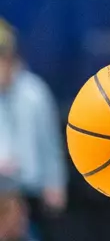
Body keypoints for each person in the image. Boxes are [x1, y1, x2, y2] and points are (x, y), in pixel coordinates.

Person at [0, 20, 66, 241]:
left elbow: (50, 142)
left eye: (3, 57)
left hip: (29, 190)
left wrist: (55, 183)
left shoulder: (34, 92)